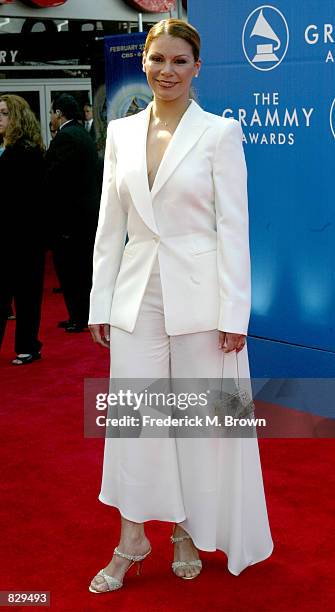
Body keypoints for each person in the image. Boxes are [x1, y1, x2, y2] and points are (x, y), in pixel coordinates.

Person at [88, 18, 274, 593]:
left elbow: (233, 229)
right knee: (136, 422)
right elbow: (109, 226)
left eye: (179, 61)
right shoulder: (119, 135)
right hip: (136, 297)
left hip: (202, 299)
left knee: (197, 423)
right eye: (158, 59)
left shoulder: (220, 133)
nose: (167, 71)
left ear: (197, 68)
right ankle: (132, 537)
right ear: (143, 61)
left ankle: (187, 531)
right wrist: (100, 300)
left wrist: (233, 313)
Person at [45, 94, 101, 332]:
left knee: (71, 271)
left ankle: (78, 317)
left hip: (70, 220)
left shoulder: (66, 137)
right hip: (85, 217)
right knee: (84, 269)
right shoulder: (83, 135)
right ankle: (83, 315)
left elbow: (57, 179)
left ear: (59, 113)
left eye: (51, 113)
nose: (50, 118)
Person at [0, 94, 45, 365]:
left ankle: (28, 346)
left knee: (26, 297)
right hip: (10, 236)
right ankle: (27, 346)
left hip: (23, 237)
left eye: (4, 113)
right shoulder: (9, 150)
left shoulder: (25, 153)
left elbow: (27, 200)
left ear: (17, 117)